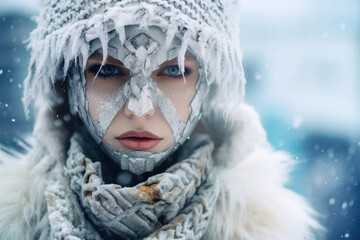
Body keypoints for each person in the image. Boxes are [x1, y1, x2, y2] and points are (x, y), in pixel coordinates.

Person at [0, 0, 321, 239]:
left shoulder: (264, 230)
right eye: (107, 70)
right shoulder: (10, 225)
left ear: (209, 84)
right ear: (67, 84)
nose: (140, 109)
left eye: (174, 70)